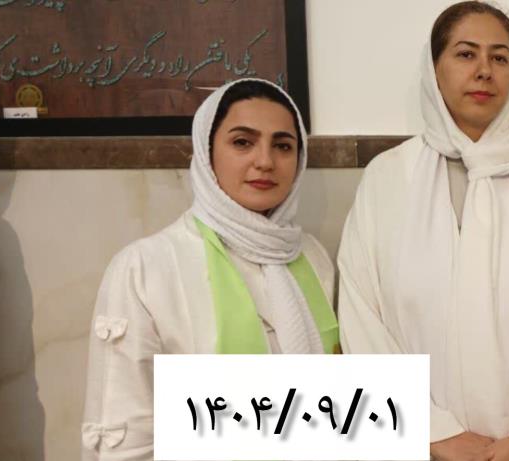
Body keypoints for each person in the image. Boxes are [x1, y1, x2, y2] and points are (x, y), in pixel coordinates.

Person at [336, 2, 509, 459]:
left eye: (500, 57)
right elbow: (362, 320)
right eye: (465, 54)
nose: (484, 71)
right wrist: (435, 435)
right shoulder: (387, 177)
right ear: (433, 68)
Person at [81, 78, 338, 460]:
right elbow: (126, 432)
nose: (265, 161)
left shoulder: (311, 257)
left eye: (283, 145)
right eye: (242, 142)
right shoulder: (146, 268)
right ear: (206, 152)